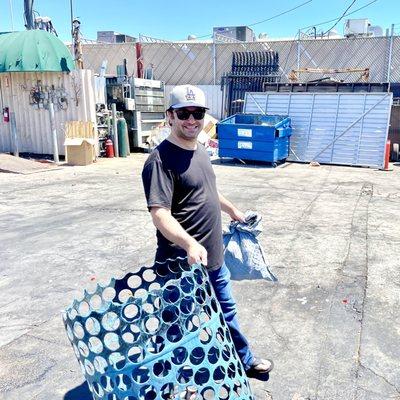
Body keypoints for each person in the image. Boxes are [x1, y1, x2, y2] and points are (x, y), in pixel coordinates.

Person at [141, 84, 273, 379]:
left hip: (213, 258)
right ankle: (173, 379)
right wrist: (188, 243)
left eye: (197, 113)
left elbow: (208, 190)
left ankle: (244, 360)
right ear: (170, 116)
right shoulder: (159, 161)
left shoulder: (199, 148)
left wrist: (233, 211)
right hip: (180, 266)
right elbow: (159, 213)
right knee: (177, 326)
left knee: (227, 314)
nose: (191, 119)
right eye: (183, 113)